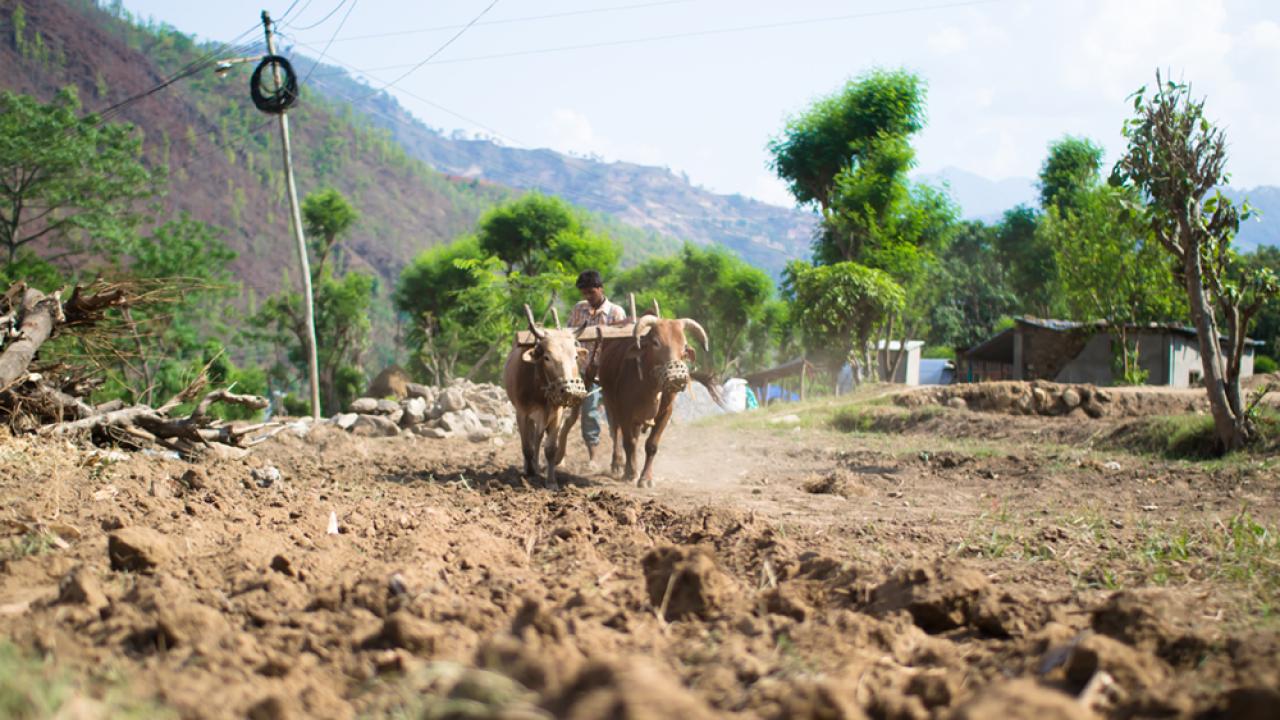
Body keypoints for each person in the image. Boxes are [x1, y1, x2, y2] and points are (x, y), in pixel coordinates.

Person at [568, 269, 626, 464]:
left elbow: (621, 346)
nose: (587, 297)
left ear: (601, 289)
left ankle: (618, 453)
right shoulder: (578, 309)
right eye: (584, 293)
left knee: (614, 414)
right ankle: (593, 457)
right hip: (584, 371)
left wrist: (601, 364)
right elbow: (570, 337)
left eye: (591, 292)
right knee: (588, 412)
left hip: (611, 373)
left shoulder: (616, 312)